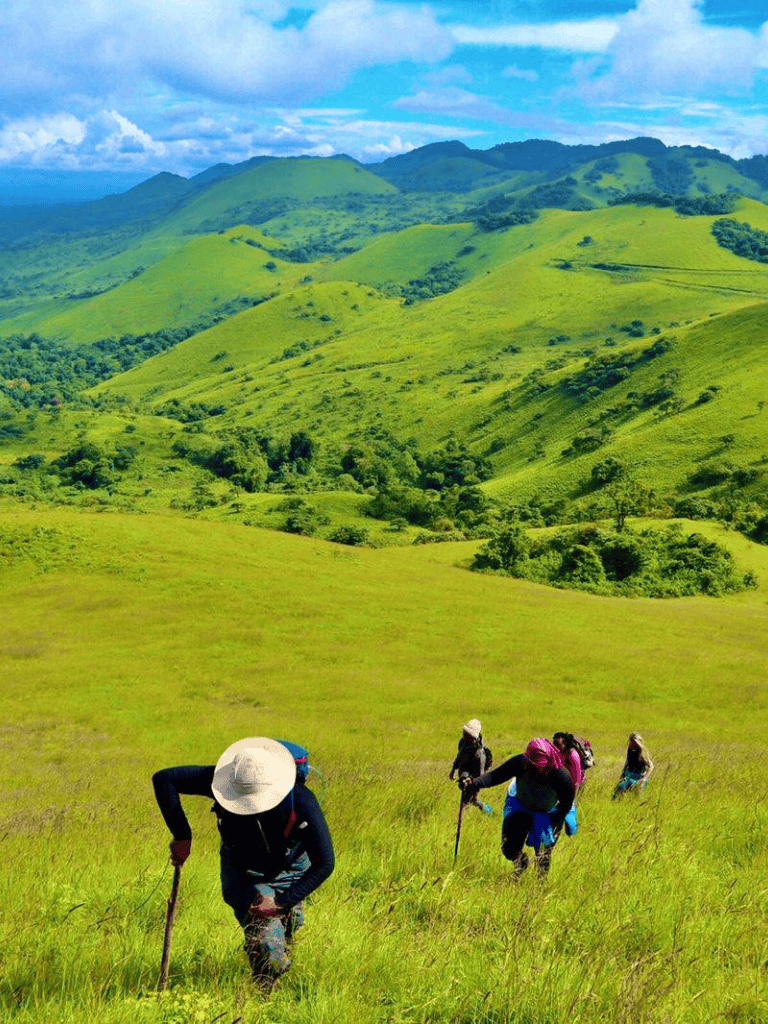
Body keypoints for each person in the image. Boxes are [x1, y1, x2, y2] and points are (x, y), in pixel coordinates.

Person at [152, 736, 335, 989]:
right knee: (267, 941)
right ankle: (264, 996)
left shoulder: (301, 801)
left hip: (292, 865)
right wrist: (183, 835)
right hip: (243, 869)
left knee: (291, 924)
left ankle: (281, 957)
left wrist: (281, 901)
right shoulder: (224, 779)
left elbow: (325, 863)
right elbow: (164, 779)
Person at [464, 737, 575, 876]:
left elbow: (566, 805)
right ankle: (520, 863)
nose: (533, 769)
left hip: (547, 812)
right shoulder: (521, 762)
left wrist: (555, 824)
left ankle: (540, 886)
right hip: (521, 805)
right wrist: (473, 783)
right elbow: (496, 776)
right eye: (530, 764)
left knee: (543, 852)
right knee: (509, 848)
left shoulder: (562, 777)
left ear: (548, 765)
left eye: (537, 767)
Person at [449, 719, 493, 815]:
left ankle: (489, 812)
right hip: (465, 770)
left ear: (473, 737)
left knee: (467, 800)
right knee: (471, 799)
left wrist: (469, 780)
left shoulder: (479, 753)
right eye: (464, 733)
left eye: (467, 734)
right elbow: (459, 757)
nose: (464, 735)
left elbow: (480, 775)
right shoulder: (463, 742)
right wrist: (453, 770)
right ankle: (488, 811)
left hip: (476, 775)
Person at [613, 732, 654, 798]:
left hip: (638, 777)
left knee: (637, 797)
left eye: (633, 742)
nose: (631, 743)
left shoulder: (641, 752)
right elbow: (627, 762)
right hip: (628, 775)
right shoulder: (630, 750)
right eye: (630, 741)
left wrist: (644, 778)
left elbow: (651, 766)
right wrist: (623, 773)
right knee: (617, 794)